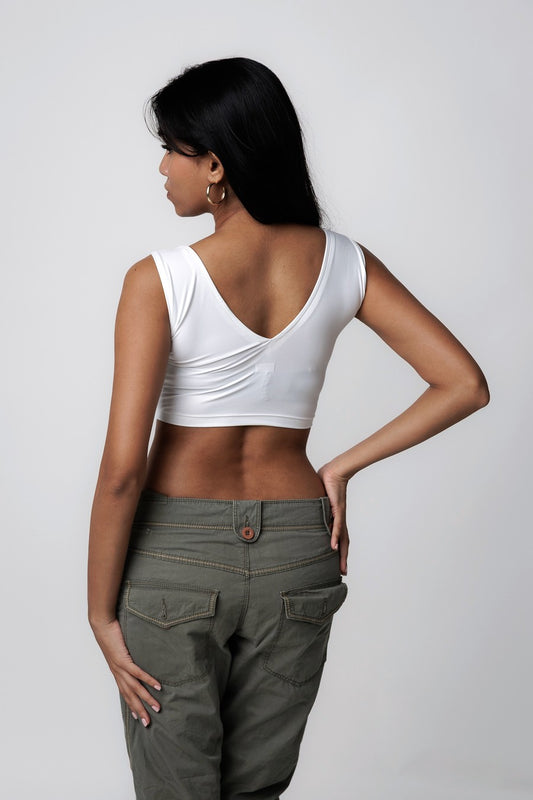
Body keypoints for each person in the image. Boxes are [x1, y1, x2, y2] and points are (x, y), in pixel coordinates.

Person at [87, 56, 490, 800]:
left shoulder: (159, 279)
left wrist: (98, 612)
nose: (163, 167)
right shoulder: (344, 263)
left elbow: (121, 471)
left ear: (215, 165)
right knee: (255, 789)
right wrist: (337, 468)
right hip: (299, 549)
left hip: (176, 553)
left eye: (172, 149)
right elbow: (463, 383)